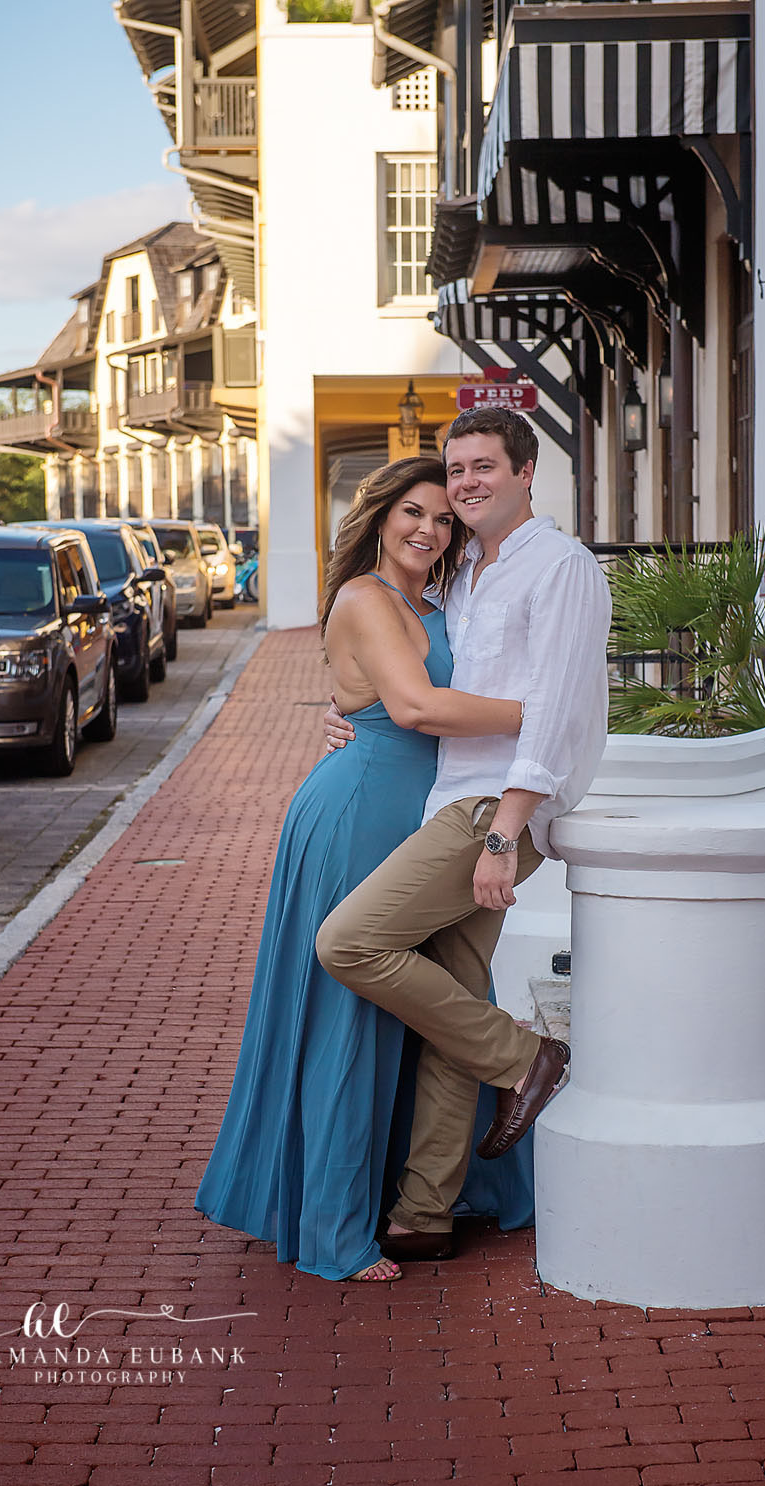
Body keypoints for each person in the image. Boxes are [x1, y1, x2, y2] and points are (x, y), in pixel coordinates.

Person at [195, 455, 533, 1284]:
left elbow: (409, 692)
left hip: (438, 813)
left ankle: (432, 1195)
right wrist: (556, 713)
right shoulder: (362, 597)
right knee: (351, 1011)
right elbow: (413, 708)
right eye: (411, 513)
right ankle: (339, 1228)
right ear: (379, 517)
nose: (427, 530)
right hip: (359, 813)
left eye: (443, 519)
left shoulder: (444, 598)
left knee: (446, 994)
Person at [317, 406, 611, 1264]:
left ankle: (526, 1059)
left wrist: (503, 833)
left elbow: (555, 708)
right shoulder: (463, 575)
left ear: (526, 472)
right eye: (457, 471)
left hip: (489, 809)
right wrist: (338, 716)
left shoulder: (557, 566)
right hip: (450, 797)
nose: (466, 484)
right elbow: (393, 671)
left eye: (484, 466)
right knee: (454, 988)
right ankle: (423, 1212)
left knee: (350, 943)